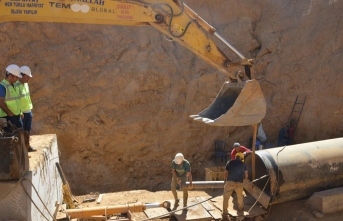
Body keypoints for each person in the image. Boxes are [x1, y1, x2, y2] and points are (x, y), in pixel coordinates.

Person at [15, 66, 36, 152]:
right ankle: (21, 149)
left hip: (28, 111)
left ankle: (27, 146)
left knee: (28, 129)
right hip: (21, 113)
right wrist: (19, 112)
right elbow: (15, 101)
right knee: (21, 131)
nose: (28, 78)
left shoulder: (26, 85)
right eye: (27, 76)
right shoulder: (16, 86)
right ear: (22, 75)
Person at [222, 152, 248, 218]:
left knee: (226, 198)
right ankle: (240, 209)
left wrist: (225, 181)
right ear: (241, 158)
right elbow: (246, 176)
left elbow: (225, 173)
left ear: (236, 157)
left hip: (230, 182)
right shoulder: (243, 164)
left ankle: (225, 212)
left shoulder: (229, 162)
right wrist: (243, 180)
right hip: (239, 183)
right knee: (240, 197)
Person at [0, 64, 23, 131]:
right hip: (7, 117)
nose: (18, 79)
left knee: (20, 133)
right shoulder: (2, 86)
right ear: (10, 76)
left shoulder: (14, 85)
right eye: (16, 77)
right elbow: (0, 101)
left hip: (16, 115)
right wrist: (9, 113)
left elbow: (16, 100)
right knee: (10, 136)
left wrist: (20, 112)